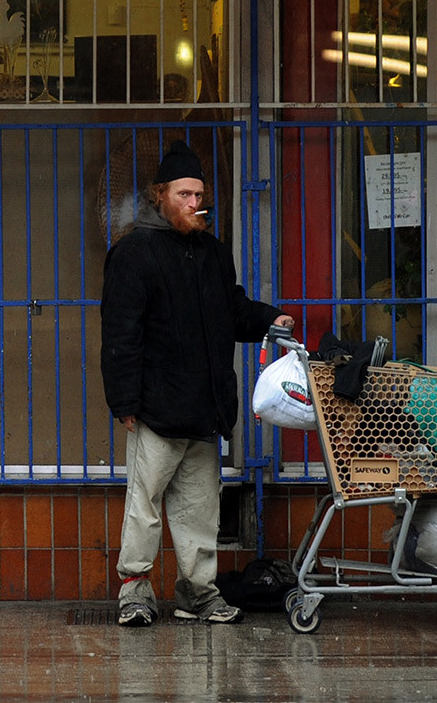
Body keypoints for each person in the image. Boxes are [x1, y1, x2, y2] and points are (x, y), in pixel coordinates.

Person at [99, 140, 294, 627]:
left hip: (204, 410)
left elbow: (231, 309)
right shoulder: (133, 253)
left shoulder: (213, 253)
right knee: (143, 508)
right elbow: (121, 334)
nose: (195, 203)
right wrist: (124, 402)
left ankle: (197, 595)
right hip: (155, 410)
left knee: (200, 513)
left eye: (199, 194)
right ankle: (134, 592)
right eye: (184, 194)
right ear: (159, 194)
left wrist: (272, 318)